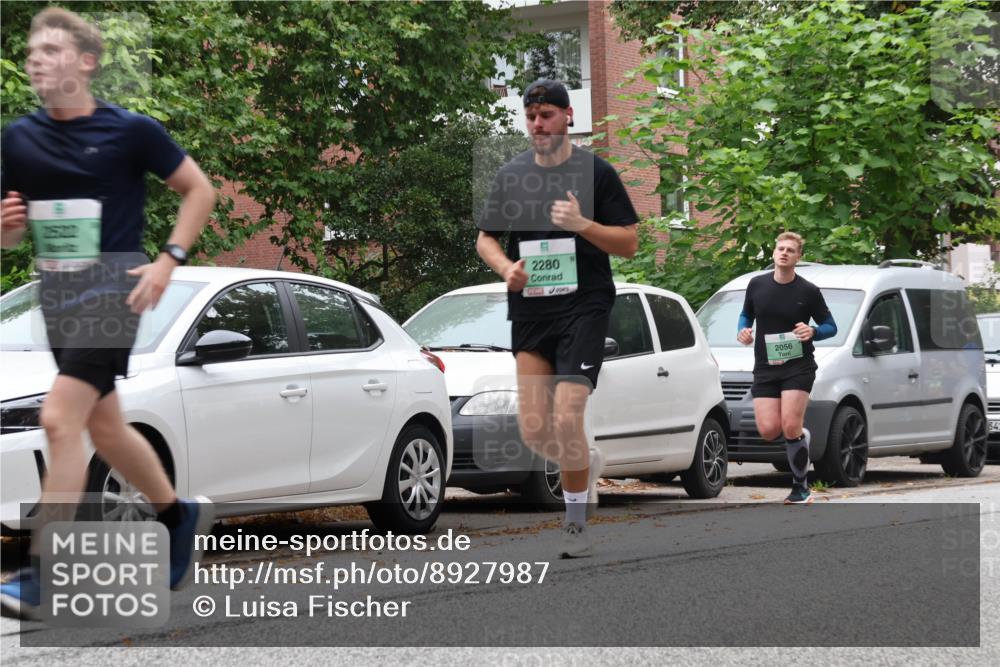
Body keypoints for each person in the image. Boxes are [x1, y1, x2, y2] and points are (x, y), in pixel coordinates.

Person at [0, 7, 217, 619]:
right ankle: (179, 514)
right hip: (59, 299)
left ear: (87, 62)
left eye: (51, 49)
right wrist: (7, 230)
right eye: (32, 52)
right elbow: (11, 235)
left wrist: (168, 260)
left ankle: (45, 573)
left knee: (58, 420)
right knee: (105, 429)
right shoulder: (19, 139)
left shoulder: (131, 130)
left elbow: (199, 190)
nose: (37, 60)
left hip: (114, 291)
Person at [476, 79, 639, 557]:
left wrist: (582, 225)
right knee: (533, 429)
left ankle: (574, 524)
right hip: (532, 309)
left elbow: (628, 243)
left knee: (568, 417)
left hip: (584, 305)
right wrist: (506, 268)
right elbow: (485, 238)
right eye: (530, 117)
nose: (537, 125)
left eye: (546, 115)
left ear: (569, 116)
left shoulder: (596, 173)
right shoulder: (511, 174)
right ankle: (581, 463)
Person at [737, 232, 837, 504]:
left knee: (790, 425)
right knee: (769, 430)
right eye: (780, 249)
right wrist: (743, 331)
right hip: (766, 367)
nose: (784, 253)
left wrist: (813, 331)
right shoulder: (757, 284)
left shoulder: (808, 291)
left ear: (797, 257)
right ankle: (798, 437)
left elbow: (831, 326)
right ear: (773, 253)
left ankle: (800, 487)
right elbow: (746, 315)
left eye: (790, 250)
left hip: (798, 366)